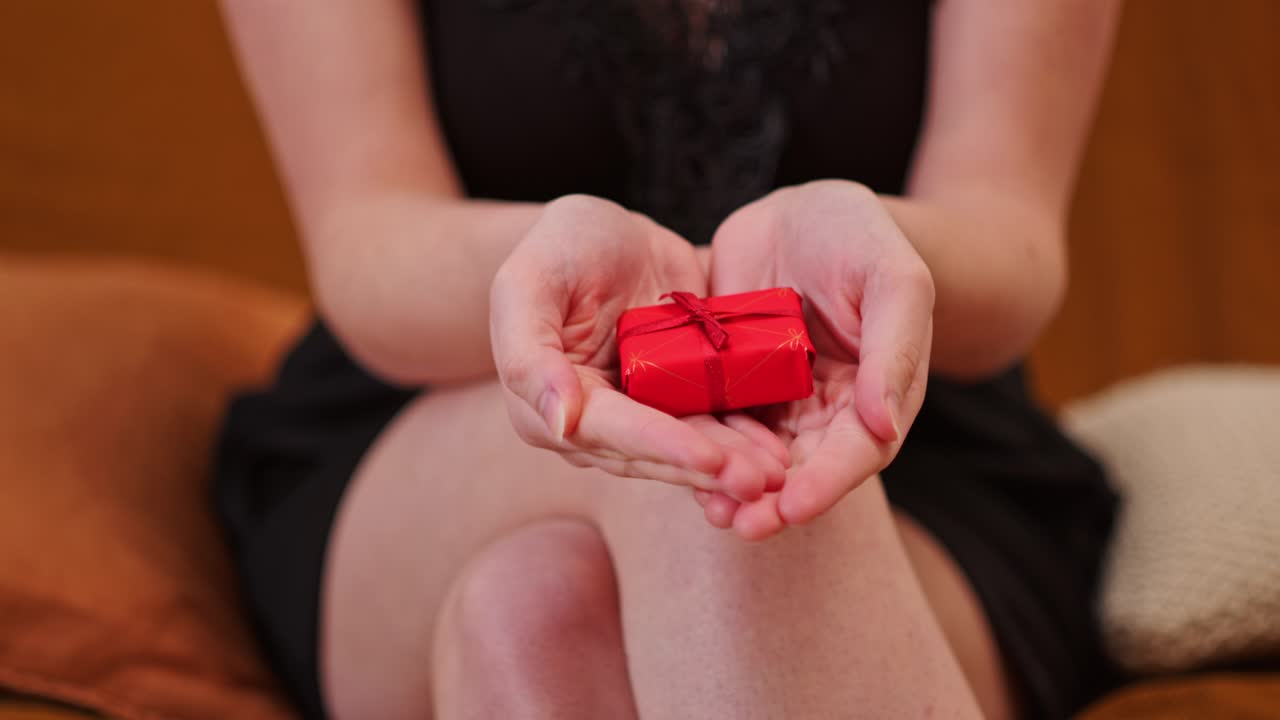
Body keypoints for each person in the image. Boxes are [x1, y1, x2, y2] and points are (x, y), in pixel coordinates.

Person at [213, 1, 1121, 718]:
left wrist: (879, 244)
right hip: (441, 403)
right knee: (704, 483)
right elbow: (366, 242)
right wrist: (542, 267)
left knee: (528, 615)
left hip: (921, 443)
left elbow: (1012, 238)